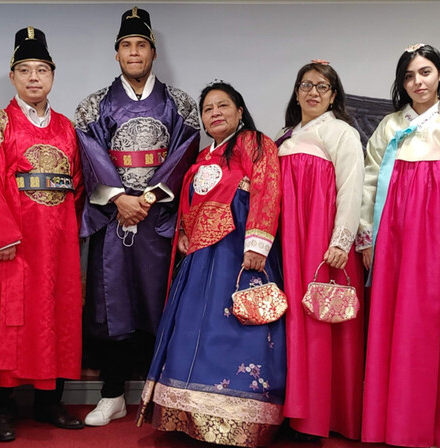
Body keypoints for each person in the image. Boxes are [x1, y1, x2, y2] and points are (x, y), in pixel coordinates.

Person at [136, 82, 285, 448]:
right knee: (192, 329)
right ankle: (187, 414)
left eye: (223, 105)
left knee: (235, 331)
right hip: (200, 258)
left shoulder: (255, 143)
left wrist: (258, 243)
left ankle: (238, 421)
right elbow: (190, 204)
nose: (215, 112)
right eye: (208, 108)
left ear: (239, 111)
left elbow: (268, 189)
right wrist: (185, 232)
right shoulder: (202, 158)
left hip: (238, 252)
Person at [74, 6, 200, 427]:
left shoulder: (181, 104)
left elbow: (184, 154)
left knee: (158, 304)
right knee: (114, 307)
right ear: (117, 54)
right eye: (126, 46)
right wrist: (119, 200)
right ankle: (112, 394)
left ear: (152, 52)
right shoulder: (93, 105)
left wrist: (146, 198)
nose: (134, 52)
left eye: (141, 45)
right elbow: (90, 156)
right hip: (114, 221)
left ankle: (156, 393)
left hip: (158, 221)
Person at [357, 43, 440, 448]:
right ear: (402, 83)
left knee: (435, 320)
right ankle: (394, 422)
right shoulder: (389, 126)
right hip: (393, 233)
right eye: (410, 76)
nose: (419, 82)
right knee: (396, 317)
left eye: (426, 72)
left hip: (439, 232)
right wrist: (367, 235)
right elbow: (369, 182)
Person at [0, 27, 84, 442]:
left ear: (52, 75)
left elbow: (78, 184)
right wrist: (0, 237)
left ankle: (50, 402)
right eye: (25, 70)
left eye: (42, 70)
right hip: (15, 245)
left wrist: (71, 228)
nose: (34, 77)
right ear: (13, 76)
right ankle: (3, 408)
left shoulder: (67, 128)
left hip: (60, 242)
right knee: (10, 321)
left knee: (61, 315)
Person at [275, 60, 365, 442]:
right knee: (290, 319)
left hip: (320, 239)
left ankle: (317, 416)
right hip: (287, 239)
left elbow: (352, 187)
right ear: (296, 92)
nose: (313, 92)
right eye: (306, 84)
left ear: (333, 95)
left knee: (317, 322)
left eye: (323, 87)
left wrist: (341, 241)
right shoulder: (284, 137)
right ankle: (291, 408)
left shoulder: (342, 133)